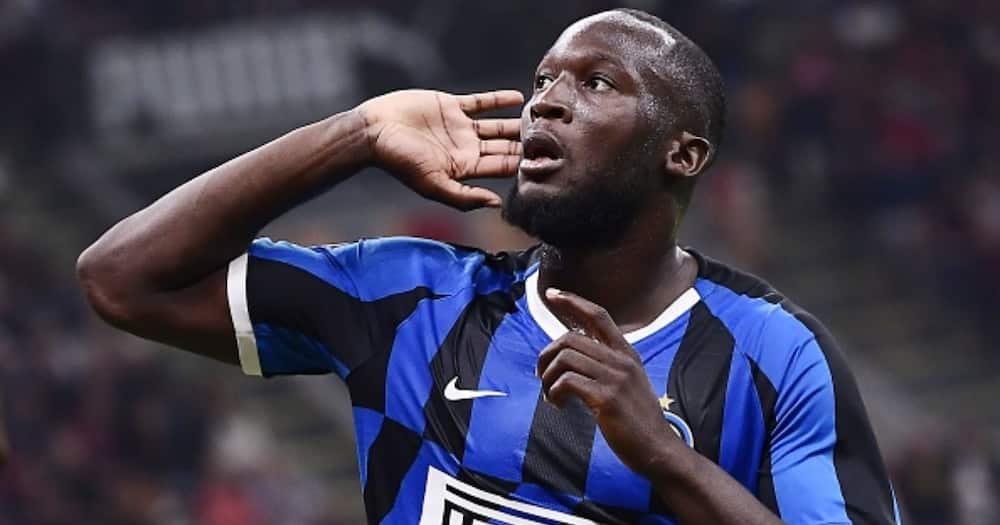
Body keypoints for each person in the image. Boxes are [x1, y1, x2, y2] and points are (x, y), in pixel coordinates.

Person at [77, 8, 900, 525]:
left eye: (598, 82)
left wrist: (663, 458)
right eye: (543, 79)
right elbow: (121, 277)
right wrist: (354, 136)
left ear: (681, 153)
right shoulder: (408, 300)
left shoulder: (777, 356)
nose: (547, 99)